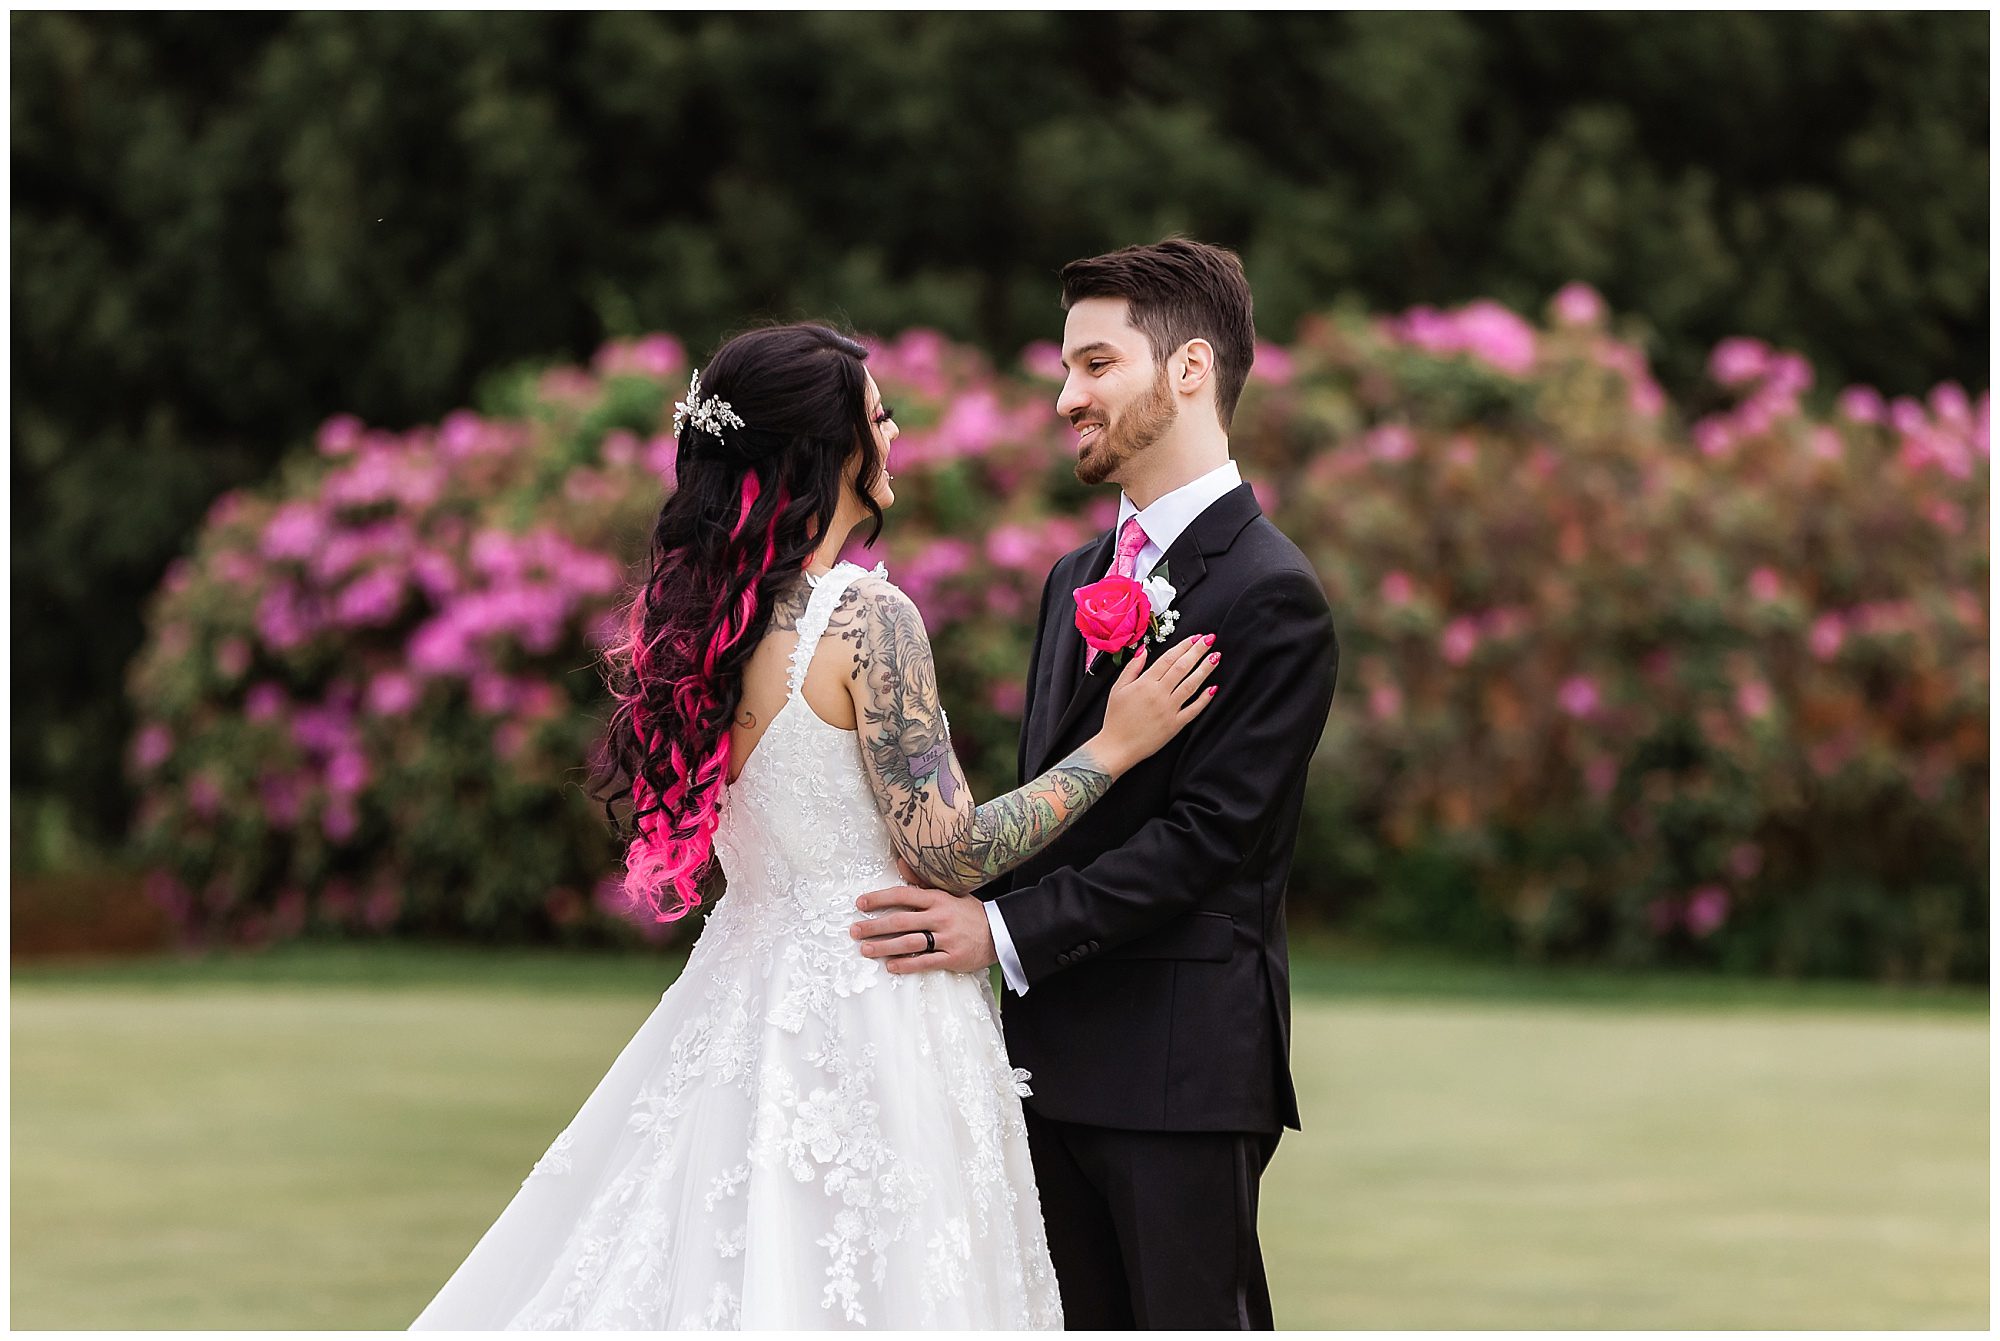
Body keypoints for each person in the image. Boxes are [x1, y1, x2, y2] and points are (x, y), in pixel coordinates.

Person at [408, 322, 1219, 1330]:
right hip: (874, 1004)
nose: (893, 435)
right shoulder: (866, 619)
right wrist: (1112, 748)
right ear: (828, 450)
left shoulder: (702, 627)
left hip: (739, 1002)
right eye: (878, 417)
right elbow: (948, 851)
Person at [850, 239, 1340, 1329]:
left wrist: (996, 933)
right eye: (1066, 369)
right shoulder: (1074, 578)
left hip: (1176, 1070)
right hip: (1038, 1064)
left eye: (1096, 364)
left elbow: (1207, 841)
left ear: (1190, 368)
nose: (1066, 397)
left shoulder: (1272, 593)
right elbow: (1056, 806)